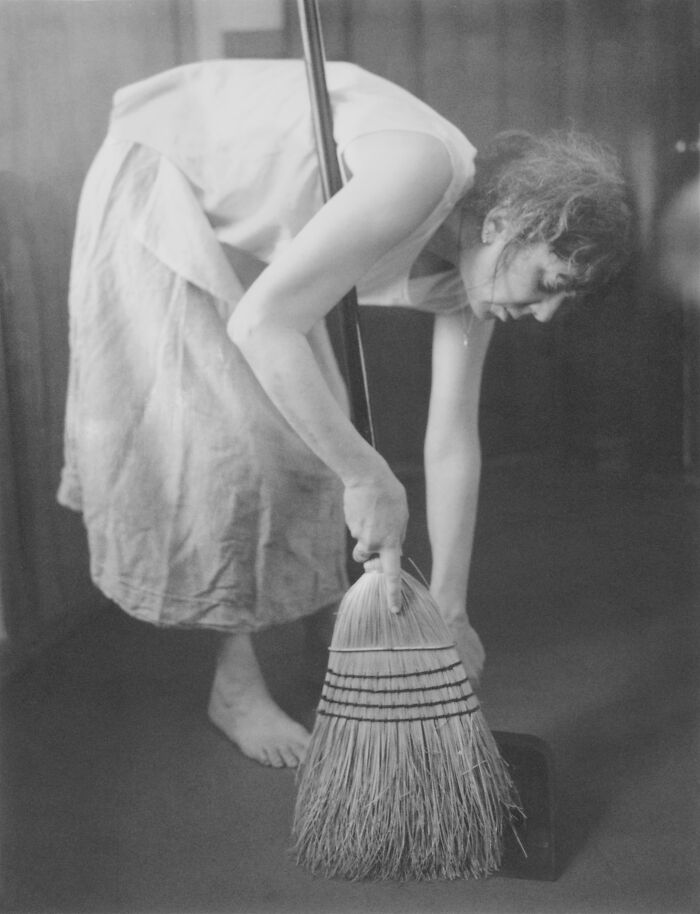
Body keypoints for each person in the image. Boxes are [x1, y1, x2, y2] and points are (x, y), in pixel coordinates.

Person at [58, 59, 631, 769]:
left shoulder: (474, 275)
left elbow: (452, 436)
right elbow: (263, 328)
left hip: (253, 236)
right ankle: (233, 688)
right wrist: (369, 476)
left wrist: (449, 604)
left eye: (563, 302)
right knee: (236, 451)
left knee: (313, 442)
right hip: (165, 175)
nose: (543, 314)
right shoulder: (421, 172)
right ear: (509, 221)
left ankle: (316, 614)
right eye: (550, 282)